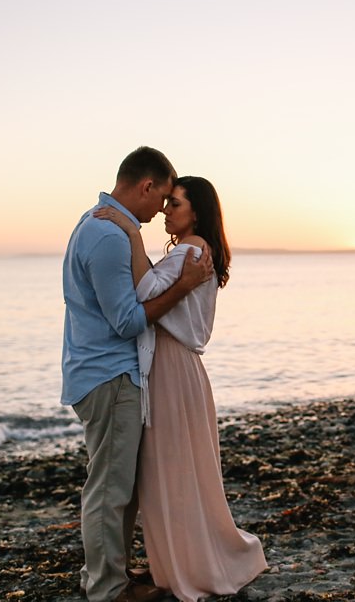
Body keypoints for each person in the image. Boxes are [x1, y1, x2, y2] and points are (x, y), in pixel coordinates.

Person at [94, 175, 267, 601]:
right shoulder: (197, 250)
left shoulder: (191, 249)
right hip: (181, 369)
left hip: (172, 370)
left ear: (197, 212)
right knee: (180, 472)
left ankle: (184, 566)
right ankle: (182, 560)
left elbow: (143, 292)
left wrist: (130, 233)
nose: (167, 211)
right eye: (167, 203)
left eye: (175, 204)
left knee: (167, 473)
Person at [62, 147, 213, 602]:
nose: (160, 211)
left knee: (117, 485)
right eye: (163, 197)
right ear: (146, 186)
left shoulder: (96, 222)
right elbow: (128, 321)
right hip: (109, 375)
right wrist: (185, 285)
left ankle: (112, 575)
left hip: (102, 371)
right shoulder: (110, 235)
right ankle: (108, 589)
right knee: (110, 488)